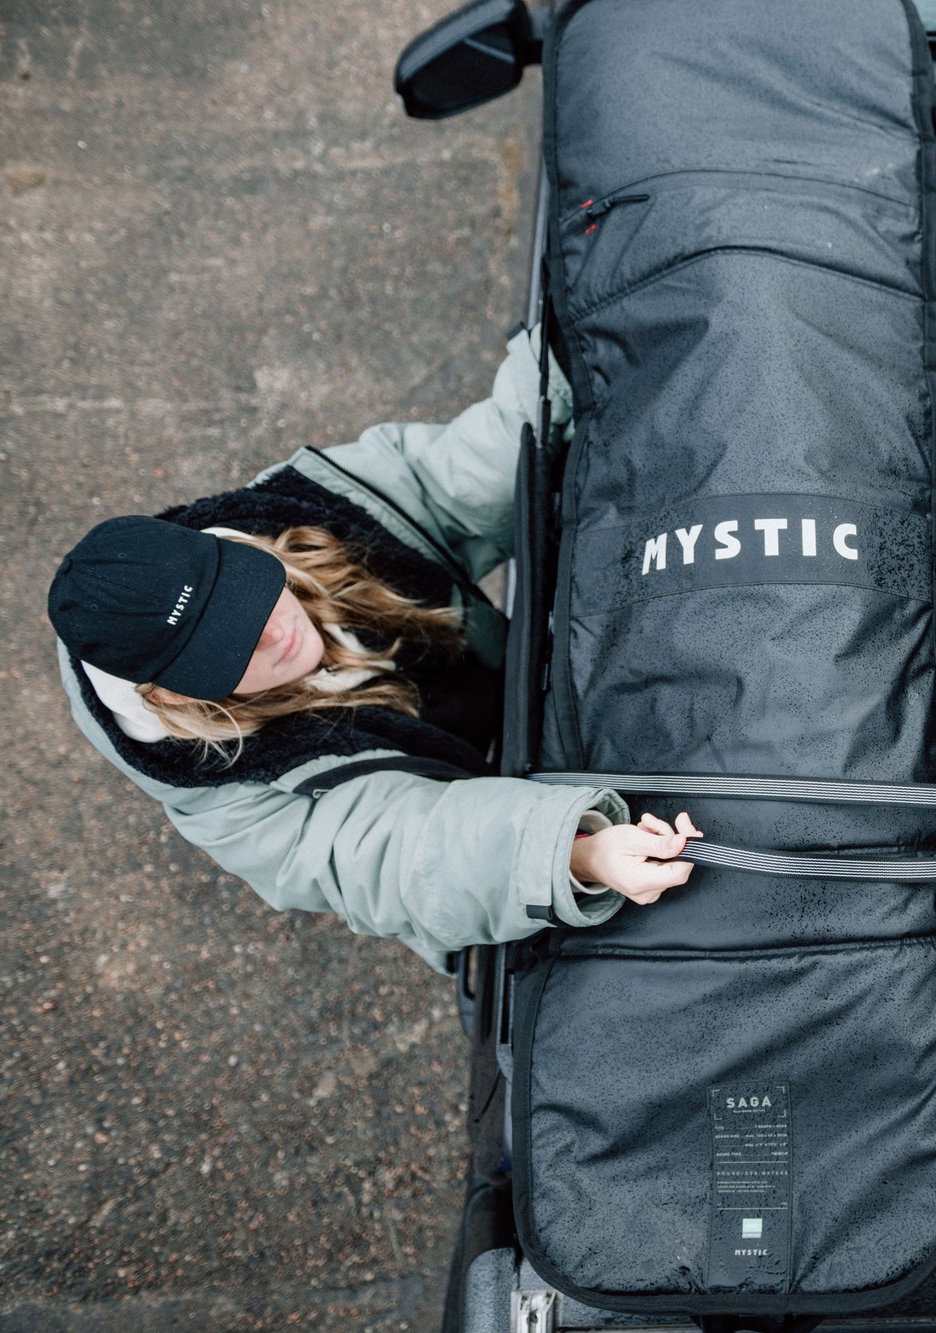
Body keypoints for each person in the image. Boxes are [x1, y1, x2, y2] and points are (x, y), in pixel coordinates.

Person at [48, 329, 698, 971]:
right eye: (228, 649)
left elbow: (458, 476)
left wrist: (568, 353)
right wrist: (573, 852)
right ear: (173, 697)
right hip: (510, 833)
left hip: (546, 690)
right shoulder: (234, 803)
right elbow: (398, 856)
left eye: (246, 592)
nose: (275, 630)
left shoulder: (300, 507)